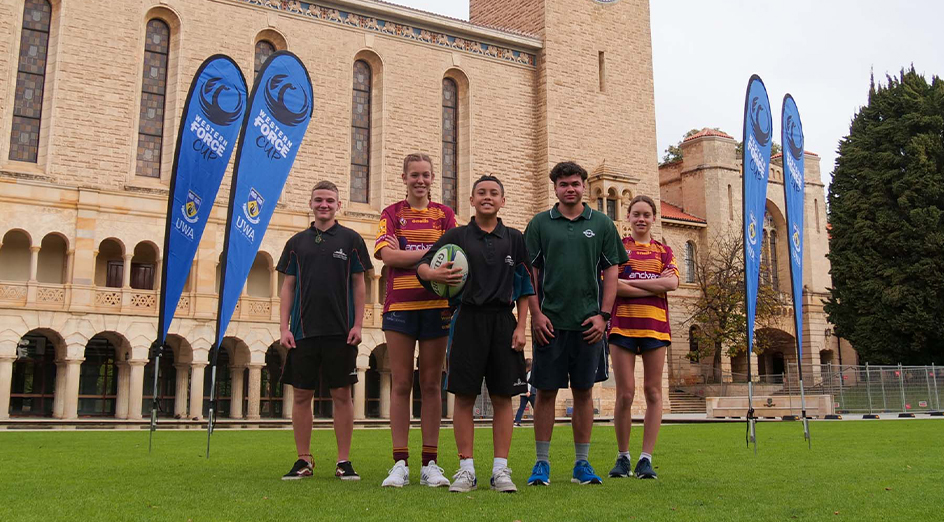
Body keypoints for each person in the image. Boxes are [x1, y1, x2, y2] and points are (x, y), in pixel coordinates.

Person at [417, 175, 533, 493]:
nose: (487, 197)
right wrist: (434, 273)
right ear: (471, 200)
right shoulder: (456, 237)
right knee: (464, 397)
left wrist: (522, 327)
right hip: (466, 319)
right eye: (481, 192)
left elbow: (524, 288)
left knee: (503, 398)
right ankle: (466, 469)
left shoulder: (514, 239)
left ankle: (501, 471)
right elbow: (423, 267)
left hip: (503, 323)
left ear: (502, 201)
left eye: (494, 193)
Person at [523, 161, 629, 486]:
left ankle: (582, 465)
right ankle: (542, 464)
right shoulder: (540, 224)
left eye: (575, 183)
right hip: (549, 325)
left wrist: (604, 315)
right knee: (545, 392)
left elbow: (612, 272)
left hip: (589, 325)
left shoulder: (602, 225)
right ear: (554, 188)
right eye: (564, 184)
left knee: (584, 393)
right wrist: (536, 315)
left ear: (584, 186)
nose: (570, 188)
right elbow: (529, 273)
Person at [277, 180, 372, 481]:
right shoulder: (296, 243)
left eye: (330, 200)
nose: (324, 205)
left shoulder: (352, 239)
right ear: (311, 203)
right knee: (301, 396)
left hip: (340, 332)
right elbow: (287, 286)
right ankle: (303, 460)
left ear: (338, 205)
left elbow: (359, 284)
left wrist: (358, 323)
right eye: (319, 200)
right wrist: (284, 327)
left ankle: (344, 461)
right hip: (303, 331)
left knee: (342, 395)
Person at [375, 153, 457, 488]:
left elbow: (452, 257)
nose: (420, 180)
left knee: (432, 384)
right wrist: (430, 254)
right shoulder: (391, 213)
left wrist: (408, 254)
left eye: (425, 175)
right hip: (400, 306)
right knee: (400, 383)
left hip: (438, 305)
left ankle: (430, 462)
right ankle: (399, 463)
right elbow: (386, 255)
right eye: (414, 175)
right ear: (404, 177)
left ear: (433, 177)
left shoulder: (445, 214)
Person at [606, 195, 679, 480]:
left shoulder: (664, 251)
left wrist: (630, 284)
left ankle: (645, 458)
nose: (641, 219)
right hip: (622, 326)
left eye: (646, 214)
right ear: (628, 217)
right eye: (636, 214)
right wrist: (651, 286)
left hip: (655, 327)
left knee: (653, 392)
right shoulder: (618, 249)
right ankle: (623, 457)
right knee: (625, 393)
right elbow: (611, 284)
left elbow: (672, 282)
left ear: (653, 218)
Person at [514, 359, 535, 426]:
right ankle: (540, 420)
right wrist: (528, 391)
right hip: (530, 393)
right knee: (536, 407)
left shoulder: (522, 372)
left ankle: (517, 421)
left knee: (521, 407)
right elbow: (529, 382)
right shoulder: (530, 373)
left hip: (523, 393)